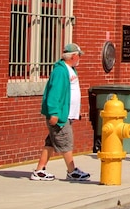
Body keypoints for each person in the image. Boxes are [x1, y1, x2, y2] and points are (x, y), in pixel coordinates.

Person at [32, 43, 90, 181]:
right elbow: (54, 93)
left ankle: (40, 170)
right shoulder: (60, 71)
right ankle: (72, 171)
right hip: (61, 115)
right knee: (66, 142)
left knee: (52, 141)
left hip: (67, 113)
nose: (79, 58)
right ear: (73, 56)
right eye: (79, 55)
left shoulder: (70, 69)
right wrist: (54, 113)